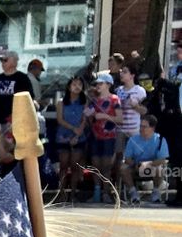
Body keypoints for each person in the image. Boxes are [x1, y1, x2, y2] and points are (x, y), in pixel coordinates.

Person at [84, 71, 122, 203]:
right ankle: (96, 191)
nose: (98, 86)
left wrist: (105, 116)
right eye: (97, 83)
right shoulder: (95, 100)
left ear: (108, 84)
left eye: (101, 83)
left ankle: (106, 192)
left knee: (106, 166)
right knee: (95, 165)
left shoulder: (114, 99)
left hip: (109, 136)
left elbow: (120, 118)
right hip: (95, 136)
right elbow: (87, 114)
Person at [120, 115, 169, 205]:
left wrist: (147, 164)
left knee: (160, 169)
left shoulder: (160, 140)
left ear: (152, 128)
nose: (141, 129)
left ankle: (156, 192)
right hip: (136, 166)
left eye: (144, 126)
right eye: (140, 126)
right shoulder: (133, 139)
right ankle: (133, 193)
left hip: (152, 167)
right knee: (123, 168)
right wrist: (136, 165)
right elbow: (127, 158)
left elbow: (162, 159)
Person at [54, 76, 88, 200]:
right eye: (74, 84)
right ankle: (62, 193)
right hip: (63, 136)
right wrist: (73, 129)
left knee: (75, 166)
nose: (77, 86)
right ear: (69, 86)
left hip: (79, 136)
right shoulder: (61, 102)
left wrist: (78, 133)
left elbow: (85, 119)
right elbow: (60, 119)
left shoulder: (84, 102)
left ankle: (73, 193)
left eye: (80, 84)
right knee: (63, 165)